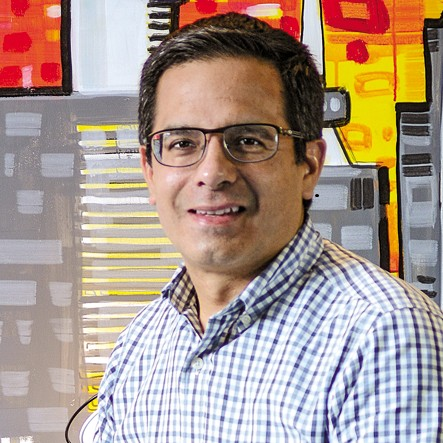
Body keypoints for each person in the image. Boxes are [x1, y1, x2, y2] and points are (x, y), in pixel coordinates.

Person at [93, 12, 443, 442]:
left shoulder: (384, 335)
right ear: (149, 170)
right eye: (183, 143)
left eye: (248, 140)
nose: (212, 173)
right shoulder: (142, 344)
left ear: (309, 165)